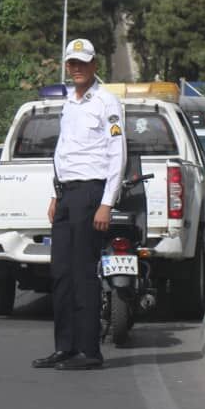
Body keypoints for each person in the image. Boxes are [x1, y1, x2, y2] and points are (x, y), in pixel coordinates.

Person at [32, 38, 124, 372]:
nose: (77, 68)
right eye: (72, 63)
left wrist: (106, 202)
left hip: (90, 194)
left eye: (83, 63)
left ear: (94, 65)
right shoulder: (69, 102)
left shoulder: (107, 102)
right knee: (61, 274)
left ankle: (89, 351)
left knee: (84, 274)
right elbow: (63, 150)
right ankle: (65, 347)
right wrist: (56, 194)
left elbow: (117, 154)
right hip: (67, 194)